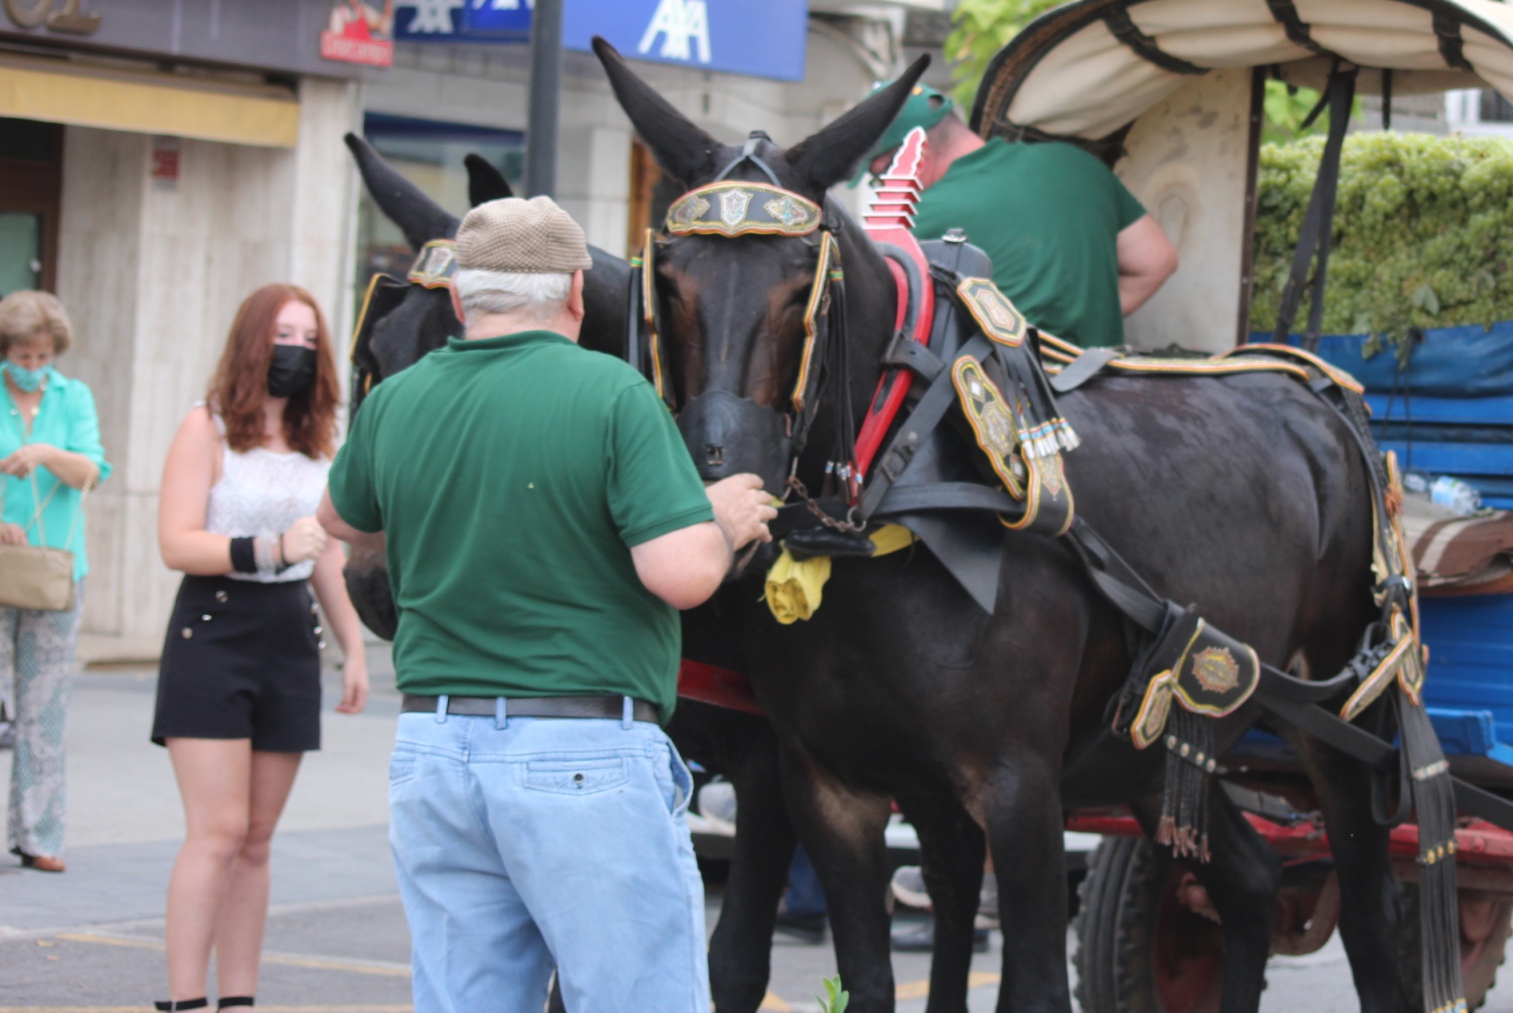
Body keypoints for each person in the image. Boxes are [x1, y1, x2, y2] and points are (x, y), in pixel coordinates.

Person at [316, 196, 775, 1013]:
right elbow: (682, 575)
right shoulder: (611, 394)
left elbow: (339, 519)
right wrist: (721, 521)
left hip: (434, 750)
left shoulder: (398, 399)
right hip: (581, 751)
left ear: (459, 298)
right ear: (574, 291)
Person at [152, 283, 368, 1012]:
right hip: (214, 629)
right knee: (216, 832)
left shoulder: (316, 442)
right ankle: (187, 998)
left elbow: (327, 555)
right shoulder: (206, 427)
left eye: (309, 341)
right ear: (253, 341)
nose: (296, 353)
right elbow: (176, 543)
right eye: (284, 336)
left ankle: (239, 997)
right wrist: (268, 548)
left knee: (257, 838)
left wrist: (354, 648)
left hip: (289, 634)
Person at [859, 87, 1179, 348]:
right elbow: (1157, 261)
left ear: (917, 154)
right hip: (1107, 394)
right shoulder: (1079, 164)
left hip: (1010, 409)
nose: (884, 187)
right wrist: (1082, 328)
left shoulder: (915, 217)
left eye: (881, 175)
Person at [0, 289, 109, 873]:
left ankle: (39, 835)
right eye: (22, 353)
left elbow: (92, 471)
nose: (33, 366)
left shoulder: (74, 398)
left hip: (56, 571)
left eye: (42, 356)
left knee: (45, 709)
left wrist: (45, 452)